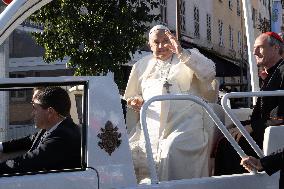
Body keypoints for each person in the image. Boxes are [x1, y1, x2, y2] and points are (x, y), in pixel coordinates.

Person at [124, 25, 217, 182]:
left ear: (173, 41)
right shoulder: (141, 65)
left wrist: (181, 52)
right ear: (150, 45)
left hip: (184, 123)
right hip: (150, 125)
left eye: (165, 41)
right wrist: (135, 100)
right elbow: (131, 95)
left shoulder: (189, 55)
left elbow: (209, 73)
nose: (161, 46)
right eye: (156, 42)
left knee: (172, 149)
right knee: (129, 154)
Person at [214, 32, 284, 175]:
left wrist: (252, 127)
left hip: (273, 133)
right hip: (265, 127)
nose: (254, 52)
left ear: (276, 48)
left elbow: (280, 115)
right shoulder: (274, 72)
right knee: (226, 132)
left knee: (230, 144)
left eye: (259, 47)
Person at [0, 86, 81, 174]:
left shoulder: (63, 137)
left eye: (35, 108)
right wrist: (1, 146)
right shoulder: (52, 128)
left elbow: (29, 161)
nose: (32, 114)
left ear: (50, 112)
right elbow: (29, 140)